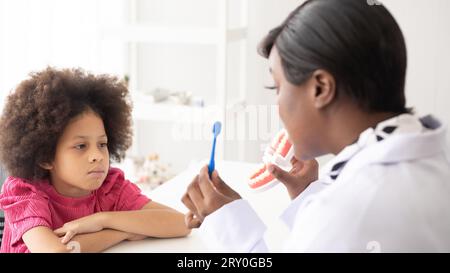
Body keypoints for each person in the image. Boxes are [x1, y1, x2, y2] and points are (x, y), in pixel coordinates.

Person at [181, 0, 450, 252]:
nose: (277, 105)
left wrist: (230, 227)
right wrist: (308, 195)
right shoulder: (429, 164)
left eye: (277, 87)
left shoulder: (347, 211)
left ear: (320, 88)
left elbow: (344, 227)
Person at [0, 67, 190, 253]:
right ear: (45, 157)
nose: (97, 156)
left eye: (102, 144)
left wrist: (102, 220)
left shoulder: (110, 188)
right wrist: (122, 232)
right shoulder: (25, 193)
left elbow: (183, 223)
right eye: (81, 146)